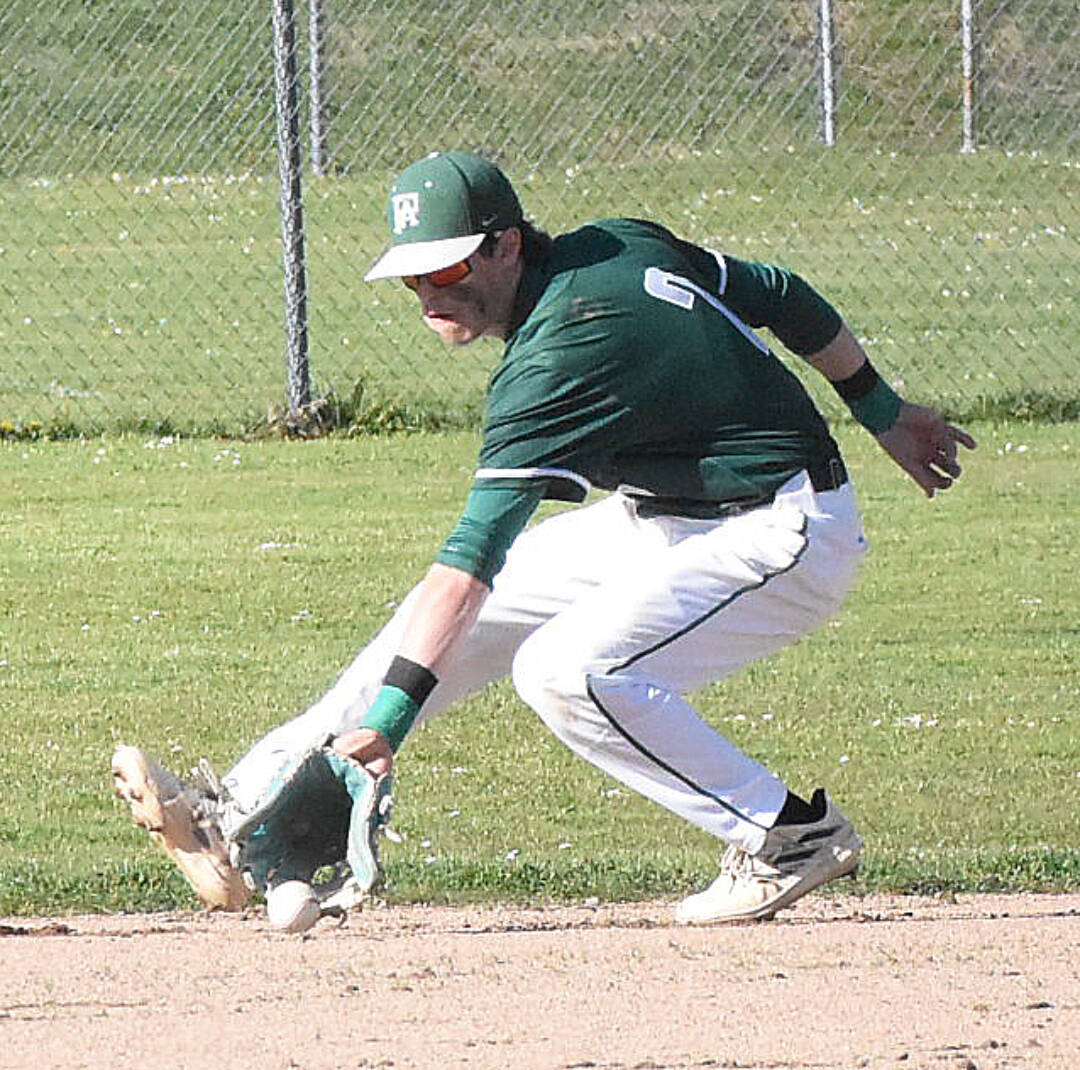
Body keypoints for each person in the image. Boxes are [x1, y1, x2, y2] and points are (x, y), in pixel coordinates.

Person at [114, 150, 975, 925]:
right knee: (435, 621)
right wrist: (880, 409)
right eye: (410, 279)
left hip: (783, 533)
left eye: (447, 268)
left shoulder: (558, 356)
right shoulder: (617, 244)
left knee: (568, 671)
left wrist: (387, 725)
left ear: (508, 246)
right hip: (668, 518)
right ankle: (233, 819)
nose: (428, 296)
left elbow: (472, 561)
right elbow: (780, 294)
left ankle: (790, 833)